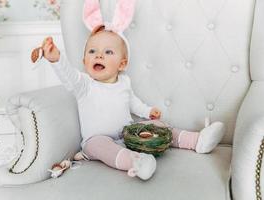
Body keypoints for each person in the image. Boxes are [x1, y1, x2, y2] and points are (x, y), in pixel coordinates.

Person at [40, 0, 225, 180]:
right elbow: (68, 76)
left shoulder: (124, 83)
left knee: (158, 127)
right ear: (84, 61)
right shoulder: (84, 84)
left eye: (108, 52)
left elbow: (133, 102)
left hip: (127, 134)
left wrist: (148, 111)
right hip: (95, 140)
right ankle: (137, 163)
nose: (99, 55)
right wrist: (56, 59)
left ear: (122, 64)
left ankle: (196, 141)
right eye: (92, 51)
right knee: (101, 146)